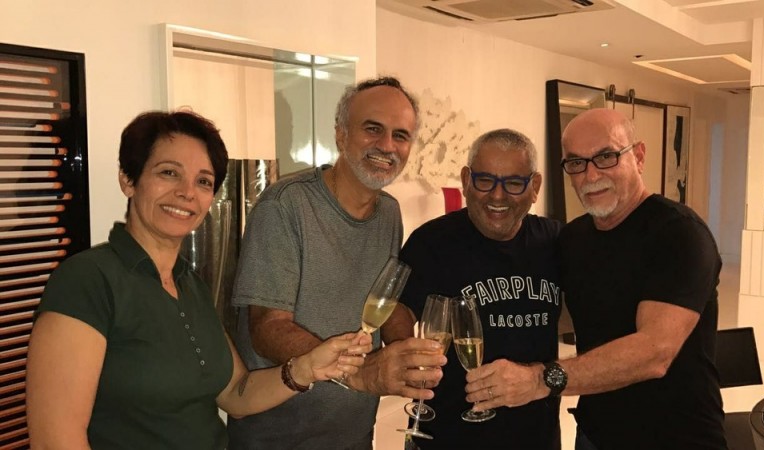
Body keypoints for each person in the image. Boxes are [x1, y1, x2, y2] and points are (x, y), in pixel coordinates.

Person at [25, 111, 372, 450]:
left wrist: (306, 368)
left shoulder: (189, 285)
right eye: (169, 173)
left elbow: (236, 393)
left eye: (203, 181)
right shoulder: (88, 280)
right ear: (128, 180)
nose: (187, 192)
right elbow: (53, 440)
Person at [466, 108, 727, 450]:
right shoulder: (573, 238)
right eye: (576, 162)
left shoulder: (679, 233)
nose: (590, 175)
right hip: (595, 434)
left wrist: (539, 380)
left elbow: (655, 352)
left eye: (606, 157)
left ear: (639, 157)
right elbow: (553, 310)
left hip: (677, 438)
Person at [227, 77, 446, 449]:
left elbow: (381, 300)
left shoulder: (388, 213)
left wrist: (405, 350)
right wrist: (358, 371)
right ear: (341, 135)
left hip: (354, 436)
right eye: (372, 129)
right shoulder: (285, 206)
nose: (387, 146)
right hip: (279, 440)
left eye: (400, 135)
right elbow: (267, 328)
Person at [385, 128, 562, 449]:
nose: (497, 196)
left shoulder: (556, 241)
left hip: (535, 437)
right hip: (448, 436)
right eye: (485, 180)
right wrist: (406, 350)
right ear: (466, 180)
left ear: (535, 187)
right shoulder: (432, 242)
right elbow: (400, 307)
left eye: (513, 183)